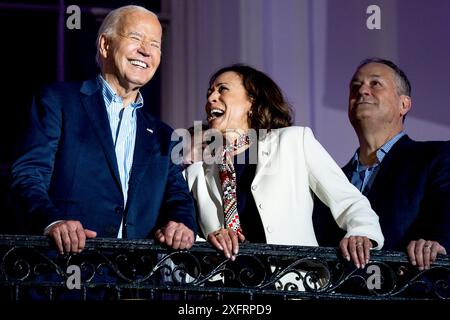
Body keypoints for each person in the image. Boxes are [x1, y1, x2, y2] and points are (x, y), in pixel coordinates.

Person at [10, 5, 196, 255]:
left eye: (155, 44)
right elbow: (28, 176)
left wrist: (182, 224)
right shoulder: (58, 103)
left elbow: (178, 198)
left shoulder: (165, 136)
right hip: (64, 271)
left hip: (135, 282)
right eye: (136, 38)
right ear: (105, 45)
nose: (146, 51)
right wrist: (52, 222)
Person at [185, 64, 384, 274]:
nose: (210, 99)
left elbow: (349, 201)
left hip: (293, 286)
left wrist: (361, 232)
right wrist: (209, 240)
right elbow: (184, 234)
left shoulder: (293, 142)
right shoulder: (199, 171)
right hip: (231, 296)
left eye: (222, 89)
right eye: (209, 93)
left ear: (252, 100)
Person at [313, 58, 450, 271]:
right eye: (355, 87)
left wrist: (437, 243)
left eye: (375, 84)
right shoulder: (331, 181)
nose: (362, 91)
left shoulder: (438, 157)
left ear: (404, 104)